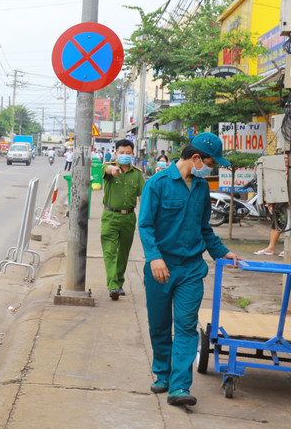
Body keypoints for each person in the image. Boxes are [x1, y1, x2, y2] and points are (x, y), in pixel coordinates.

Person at [138, 133, 240, 407]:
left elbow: (205, 228)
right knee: (160, 325)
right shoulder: (157, 184)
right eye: (209, 162)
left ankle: (180, 386)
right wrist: (154, 258)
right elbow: (145, 225)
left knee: (185, 326)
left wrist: (222, 252)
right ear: (196, 158)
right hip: (160, 268)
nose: (211, 167)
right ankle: (162, 373)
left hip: (192, 269)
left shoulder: (202, 188)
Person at [101, 139, 145, 300]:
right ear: (116, 153)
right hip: (110, 216)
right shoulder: (109, 167)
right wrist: (113, 170)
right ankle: (113, 285)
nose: (125, 155)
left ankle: (118, 282)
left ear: (133, 154)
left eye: (128, 153)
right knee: (110, 251)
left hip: (129, 218)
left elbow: (143, 197)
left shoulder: (137, 174)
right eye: (121, 153)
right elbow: (106, 169)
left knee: (123, 253)